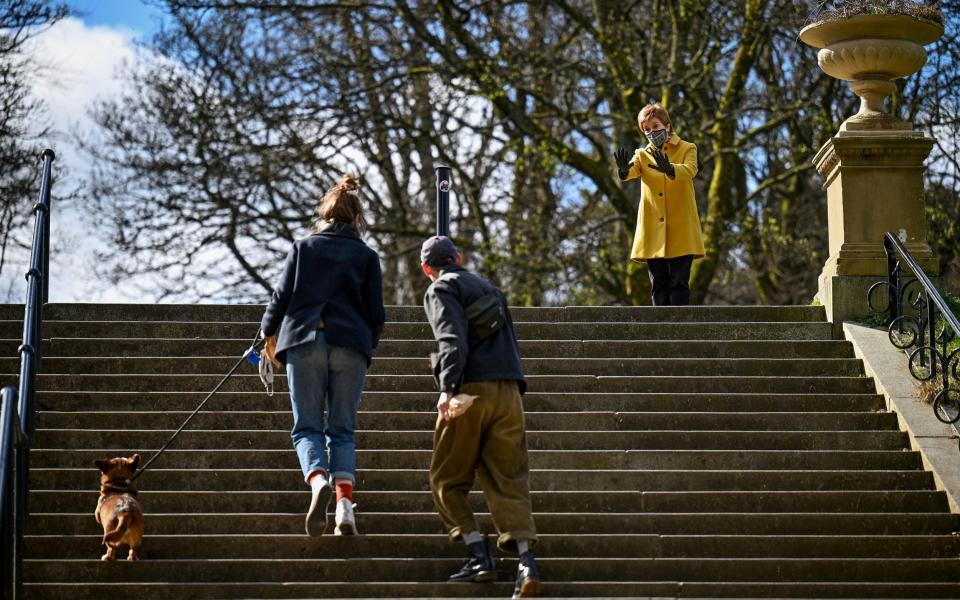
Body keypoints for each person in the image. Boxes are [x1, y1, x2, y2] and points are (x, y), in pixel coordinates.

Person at [260, 174, 385, 537]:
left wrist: (269, 332)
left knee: (307, 427)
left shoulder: (303, 248)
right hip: (351, 345)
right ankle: (344, 505)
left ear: (325, 215)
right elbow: (376, 314)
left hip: (304, 341)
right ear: (357, 219)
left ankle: (317, 482)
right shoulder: (366, 256)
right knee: (343, 430)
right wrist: (366, 343)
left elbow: (280, 299)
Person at [420, 235, 541, 599]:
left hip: (469, 392)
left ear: (427, 268)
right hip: (508, 392)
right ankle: (525, 564)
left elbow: (451, 338)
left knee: (446, 477)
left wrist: (448, 388)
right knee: (509, 479)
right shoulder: (489, 287)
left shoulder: (440, 289)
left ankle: (478, 555)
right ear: (458, 257)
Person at [614, 102, 705, 306]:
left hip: (682, 227)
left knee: (679, 282)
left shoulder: (687, 148)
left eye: (655, 127)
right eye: (647, 129)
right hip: (653, 230)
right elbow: (632, 171)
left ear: (667, 126)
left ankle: (679, 329)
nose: (651, 132)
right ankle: (659, 330)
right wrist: (623, 170)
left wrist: (670, 168)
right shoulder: (642, 154)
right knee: (659, 283)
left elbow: (690, 170)